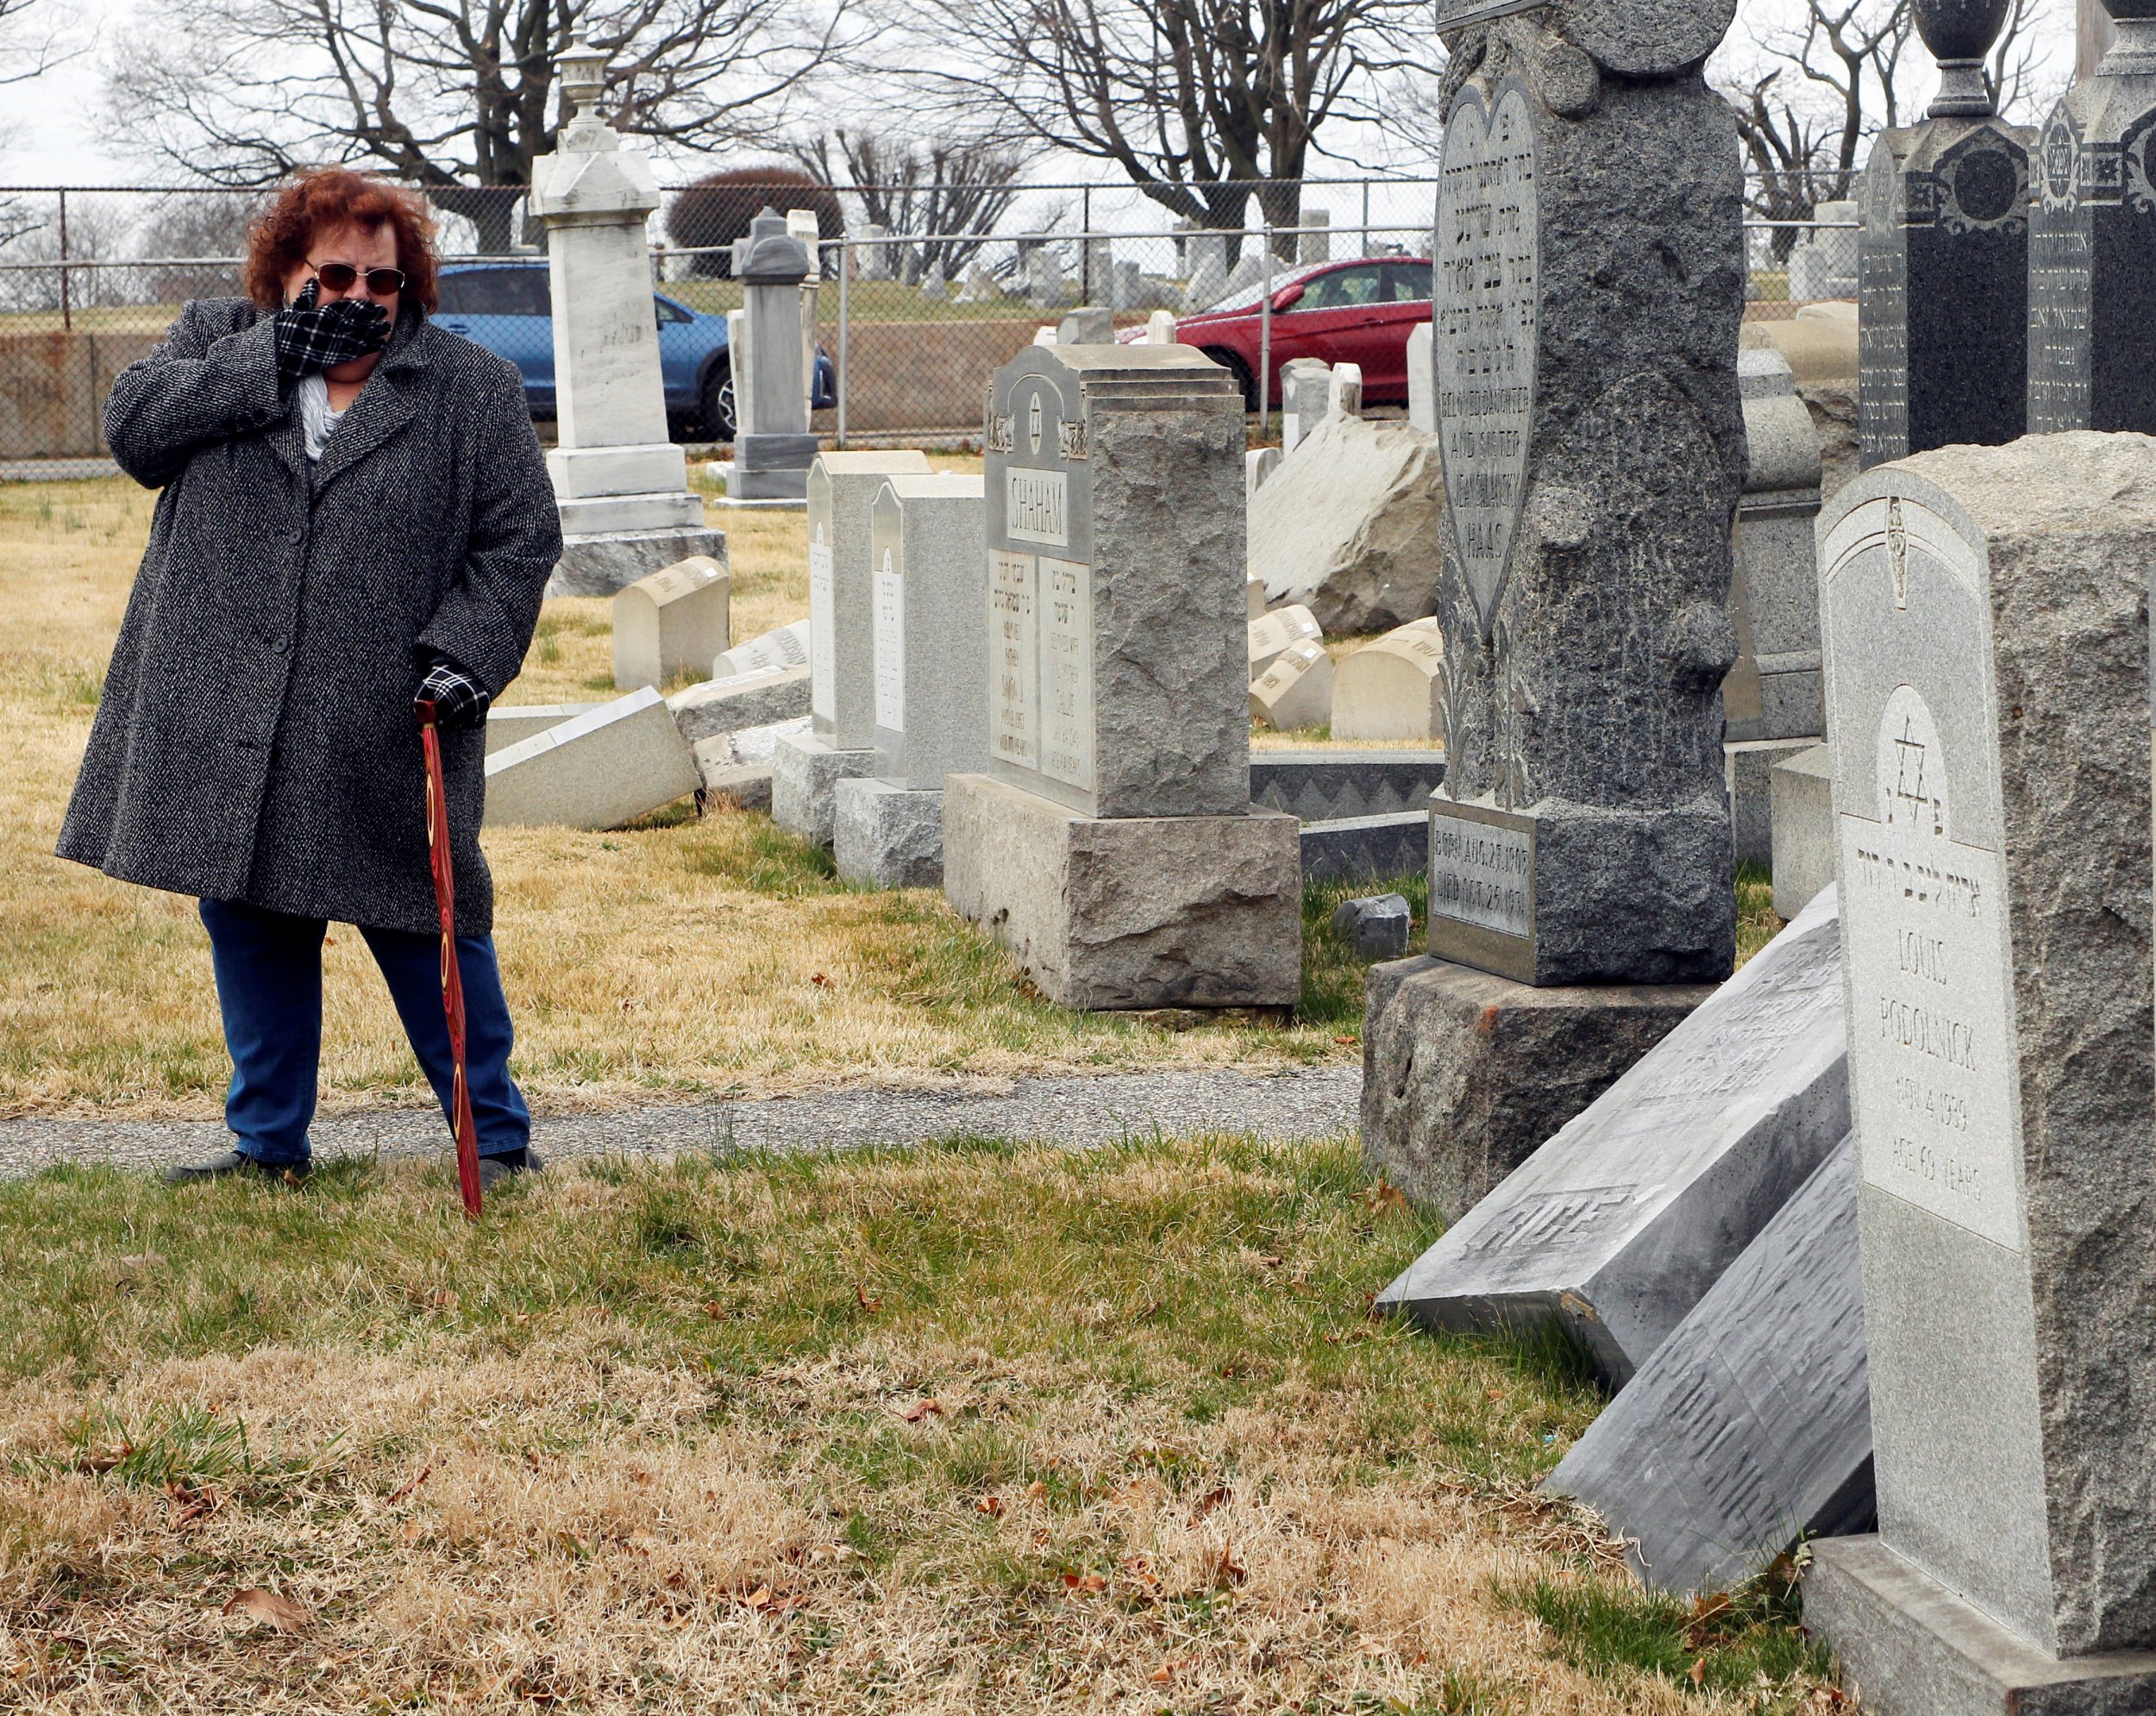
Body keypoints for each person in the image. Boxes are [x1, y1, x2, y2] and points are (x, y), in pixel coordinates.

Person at [57, 168, 562, 1190]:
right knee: (249, 922)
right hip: (228, 706)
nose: (359, 298)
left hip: (381, 714)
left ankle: (494, 1140)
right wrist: (271, 355)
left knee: (429, 922)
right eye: (333, 275)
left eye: (383, 282)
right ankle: (267, 1146)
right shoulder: (216, 341)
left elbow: (517, 541)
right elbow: (135, 433)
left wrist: (466, 654)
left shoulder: (471, 389)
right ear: (286, 272)